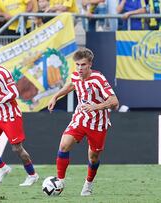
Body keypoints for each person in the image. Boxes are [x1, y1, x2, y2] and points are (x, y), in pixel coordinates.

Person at [48, 48, 119, 196]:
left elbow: (114, 102)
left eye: (83, 65)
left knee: (93, 157)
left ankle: (88, 184)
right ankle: (60, 181)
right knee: (64, 144)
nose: (80, 68)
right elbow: (71, 85)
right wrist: (55, 97)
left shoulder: (98, 79)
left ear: (90, 64)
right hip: (80, 118)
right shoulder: (75, 76)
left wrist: (96, 107)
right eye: (78, 65)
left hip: (98, 124)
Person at [0, 46, 39, 186]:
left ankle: (32, 175)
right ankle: (3, 168)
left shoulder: (3, 73)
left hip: (11, 115)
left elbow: (14, 94)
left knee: (17, 149)